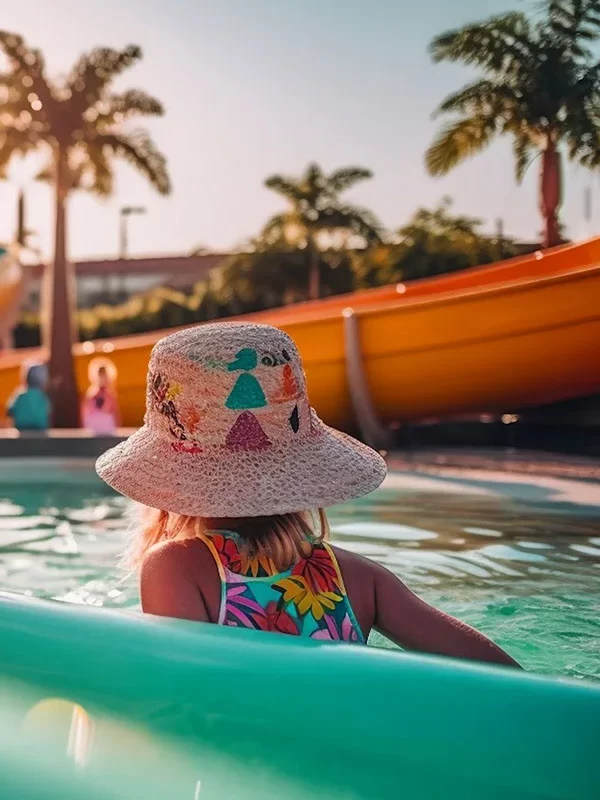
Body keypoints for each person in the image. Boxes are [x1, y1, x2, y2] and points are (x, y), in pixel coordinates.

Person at [96, 322, 519, 667]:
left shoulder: (176, 568)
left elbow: (182, 693)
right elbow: (504, 675)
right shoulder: (360, 578)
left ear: (169, 482)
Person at [6, 361, 51, 433]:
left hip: (22, 430)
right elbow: (48, 410)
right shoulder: (42, 396)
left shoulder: (20, 394)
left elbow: (9, 410)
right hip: (40, 430)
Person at [82, 358, 120, 436]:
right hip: (94, 428)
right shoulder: (92, 393)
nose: (102, 378)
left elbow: (115, 411)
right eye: (100, 375)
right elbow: (85, 411)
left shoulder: (109, 393)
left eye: (104, 375)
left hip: (107, 428)